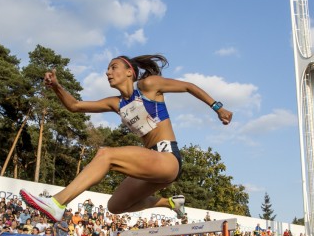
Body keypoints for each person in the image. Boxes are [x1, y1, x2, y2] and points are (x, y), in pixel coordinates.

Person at [21, 54, 232, 222]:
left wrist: (218, 107)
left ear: (130, 72)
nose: (108, 72)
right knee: (116, 206)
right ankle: (170, 203)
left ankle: (57, 203)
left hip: (167, 157)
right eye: (107, 69)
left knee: (106, 154)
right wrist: (56, 86)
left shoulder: (149, 85)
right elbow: (75, 106)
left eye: (113, 67)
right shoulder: (116, 103)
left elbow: (188, 86)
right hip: (151, 162)